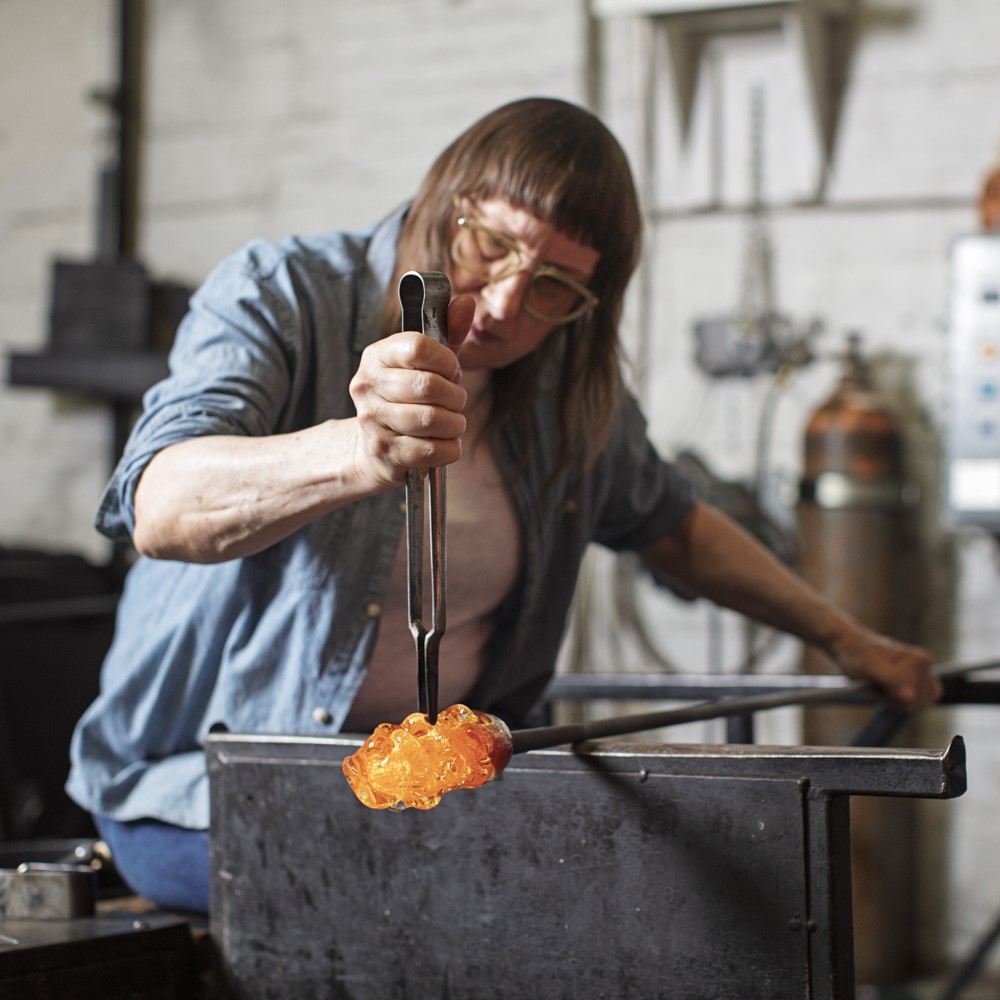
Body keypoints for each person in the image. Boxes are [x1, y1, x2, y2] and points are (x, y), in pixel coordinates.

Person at [66, 96, 941, 914]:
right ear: (447, 203)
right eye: (491, 246)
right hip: (198, 791)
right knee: (465, 907)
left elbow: (676, 531)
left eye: (557, 285)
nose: (507, 304)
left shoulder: (565, 387)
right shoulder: (280, 294)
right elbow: (160, 508)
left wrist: (848, 640)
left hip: (438, 795)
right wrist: (357, 451)